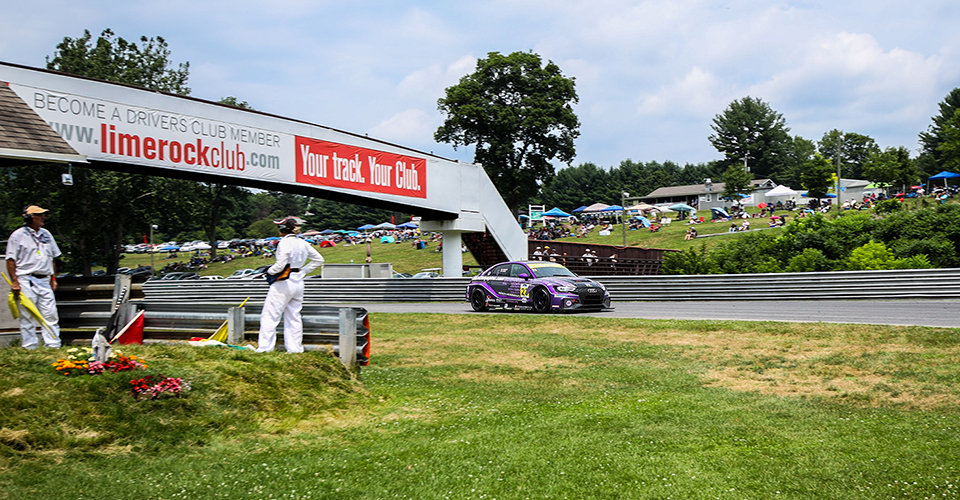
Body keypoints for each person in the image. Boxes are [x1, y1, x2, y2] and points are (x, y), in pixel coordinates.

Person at [256, 218, 324, 353]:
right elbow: (319, 259)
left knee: (270, 316)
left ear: (283, 229)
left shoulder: (285, 243)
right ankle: (295, 349)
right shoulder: (303, 242)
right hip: (298, 281)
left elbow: (281, 264)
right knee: (294, 316)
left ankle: (265, 348)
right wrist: (303, 271)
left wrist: (269, 271)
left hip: (283, 281)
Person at [5, 205, 62, 349]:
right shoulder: (18, 235)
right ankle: (30, 346)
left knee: (50, 313)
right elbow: (10, 260)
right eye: (40, 215)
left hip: (45, 279)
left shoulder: (46, 234)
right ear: (30, 218)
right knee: (28, 314)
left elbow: (53, 258)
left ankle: (53, 344)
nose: (43, 218)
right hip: (26, 279)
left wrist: (53, 278)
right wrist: (15, 282)